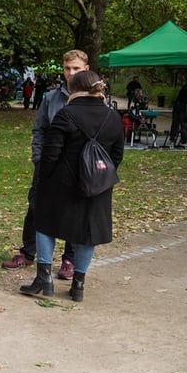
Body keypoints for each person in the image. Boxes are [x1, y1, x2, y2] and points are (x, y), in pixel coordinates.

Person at [20, 71, 124, 301]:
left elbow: (51, 153)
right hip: (98, 185)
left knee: (45, 223)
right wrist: (99, 176)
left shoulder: (66, 114)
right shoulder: (113, 117)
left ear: (75, 89)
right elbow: (116, 155)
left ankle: (44, 278)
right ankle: (78, 285)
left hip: (61, 183)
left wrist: (45, 177)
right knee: (88, 233)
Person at [2, 50, 90, 279]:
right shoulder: (51, 98)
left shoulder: (93, 99)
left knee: (73, 212)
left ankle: (69, 260)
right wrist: (38, 157)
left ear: (86, 69)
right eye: (67, 68)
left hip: (76, 168)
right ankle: (28, 252)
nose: (71, 73)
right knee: (35, 207)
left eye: (76, 68)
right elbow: (39, 129)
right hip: (48, 165)